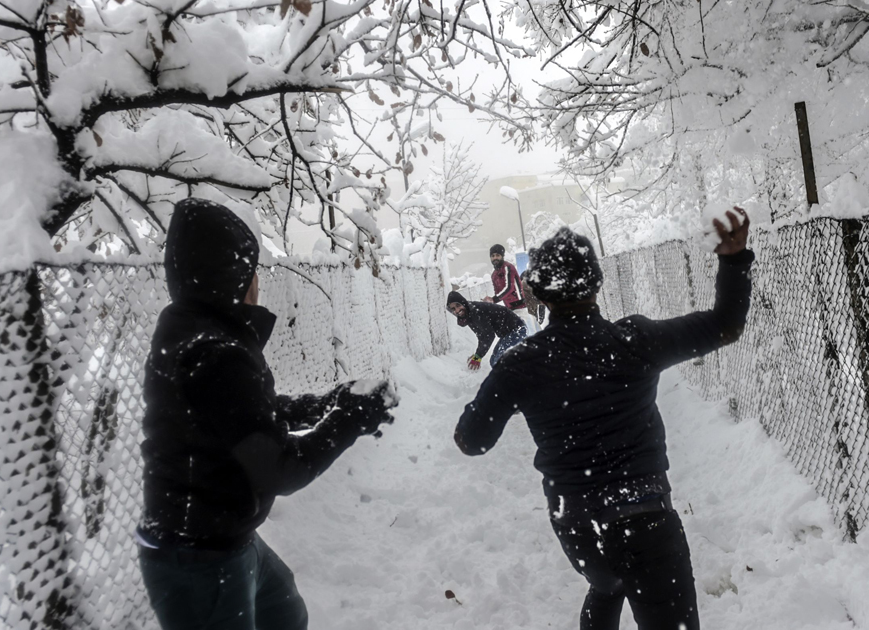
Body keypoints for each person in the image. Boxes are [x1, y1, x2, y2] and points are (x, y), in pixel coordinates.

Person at [454, 208, 753, 630]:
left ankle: (607, 583)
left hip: (579, 526)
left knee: (608, 585)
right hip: (647, 518)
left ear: (539, 293)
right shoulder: (634, 340)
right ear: (596, 283)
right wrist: (734, 259)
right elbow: (726, 324)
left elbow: (471, 440)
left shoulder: (523, 364)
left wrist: (497, 390)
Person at [138, 198, 397, 630]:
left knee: (284, 612)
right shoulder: (215, 352)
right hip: (198, 556)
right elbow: (279, 470)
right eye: (251, 269)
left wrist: (328, 402)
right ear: (232, 276)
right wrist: (351, 419)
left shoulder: (195, 330)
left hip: (222, 537)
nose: (257, 280)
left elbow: (244, 415)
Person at [447, 290, 528, 370]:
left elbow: (489, 335)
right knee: (493, 361)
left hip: (517, 330)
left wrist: (478, 356)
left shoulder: (475, 312)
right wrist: (477, 355)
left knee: (499, 361)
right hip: (508, 333)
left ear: (463, 303)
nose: (457, 310)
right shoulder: (468, 314)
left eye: (458, 305)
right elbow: (481, 335)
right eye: (453, 309)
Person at [482, 243, 529, 328]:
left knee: (523, 331)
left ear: (502, 256)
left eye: (497, 255)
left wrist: (494, 299)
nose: (495, 258)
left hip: (520, 307)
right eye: (492, 256)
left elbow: (509, 287)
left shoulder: (508, 267)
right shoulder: (494, 275)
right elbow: (498, 294)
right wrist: (490, 301)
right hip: (509, 309)